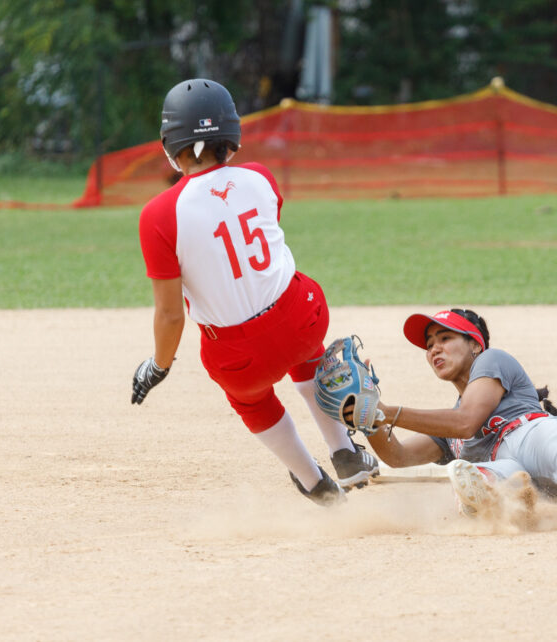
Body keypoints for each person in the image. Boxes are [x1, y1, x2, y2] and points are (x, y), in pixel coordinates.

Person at [131, 78, 378, 506]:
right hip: (302, 318)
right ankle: (344, 451)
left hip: (240, 357)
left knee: (251, 400)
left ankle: (313, 482)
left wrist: (158, 366)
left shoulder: (158, 215)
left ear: (169, 144)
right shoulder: (260, 177)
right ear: (232, 136)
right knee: (302, 341)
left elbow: (172, 316)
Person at [355, 308, 557, 524]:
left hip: (531, 437)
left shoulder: (493, 359)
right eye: (429, 344)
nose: (434, 349)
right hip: (531, 487)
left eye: (445, 338)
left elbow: (466, 424)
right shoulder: (445, 422)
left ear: (475, 345)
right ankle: (479, 492)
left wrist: (389, 413)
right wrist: (367, 416)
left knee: (549, 442)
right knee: (495, 471)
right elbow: (397, 456)